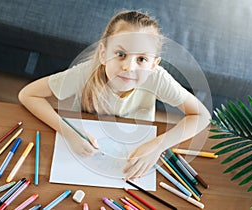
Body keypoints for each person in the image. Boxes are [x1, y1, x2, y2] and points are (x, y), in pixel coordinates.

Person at [18, 10, 211, 180]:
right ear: (103, 53)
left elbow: (202, 115)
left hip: (133, 149)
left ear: (154, 64)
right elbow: (28, 95)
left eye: (142, 59)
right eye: (120, 54)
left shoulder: (158, 78)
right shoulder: (85, 73)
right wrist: (69, 133)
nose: (129, 67)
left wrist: (158, 145)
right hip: (86, 150)